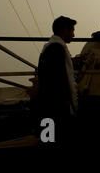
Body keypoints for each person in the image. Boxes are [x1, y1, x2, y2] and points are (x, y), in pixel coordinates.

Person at [36, 16, 78, 147]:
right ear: (65, 30)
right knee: (56, 140)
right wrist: (66, 101)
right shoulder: (57, 49)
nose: (73, 34)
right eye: (72, 31)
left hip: (48, 103)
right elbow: (57, 77)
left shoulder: (50, 47)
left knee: (48, 138)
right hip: (56, 104)